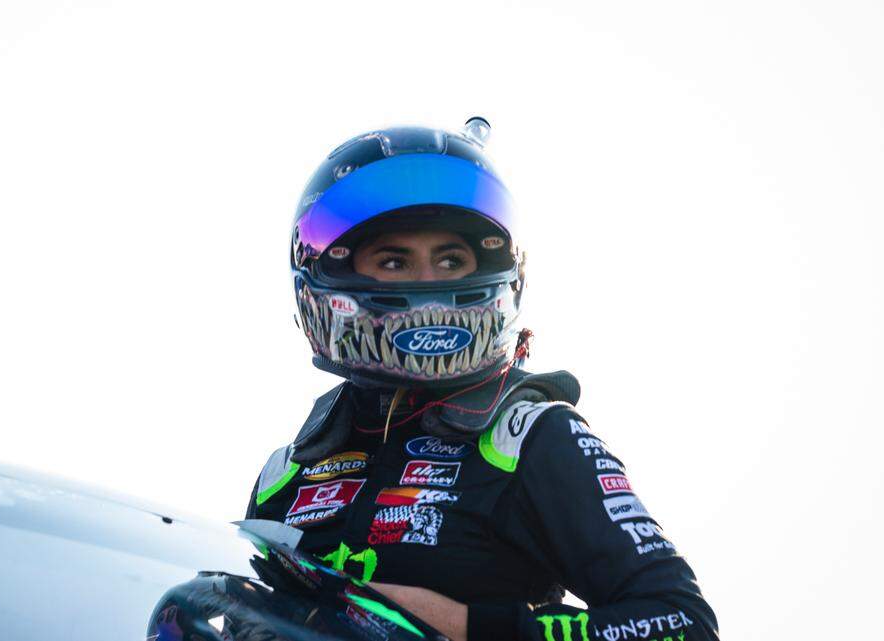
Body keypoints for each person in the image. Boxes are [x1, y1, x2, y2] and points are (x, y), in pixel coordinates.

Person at [245, 119, 718, 641]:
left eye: (451, 259)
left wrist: (467, 626)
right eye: (394, 261)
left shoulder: (530, 436)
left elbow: (683, 625)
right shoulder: (288, 471)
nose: (427, 285)